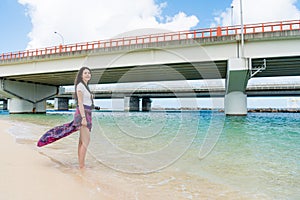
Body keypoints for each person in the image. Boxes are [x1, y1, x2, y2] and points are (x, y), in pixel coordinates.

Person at [37, 66, 99, 169]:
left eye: (89, 73)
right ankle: (82, 166)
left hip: (87, 113)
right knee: (86, 141)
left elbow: (86, 102)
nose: (88, 75)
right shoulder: (80, 86)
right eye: (85, 73)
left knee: (82, 141)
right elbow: (80, 103)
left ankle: (81, 165)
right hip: (83, 114)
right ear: (81, 75)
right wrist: (83, 118)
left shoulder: (85, 86)